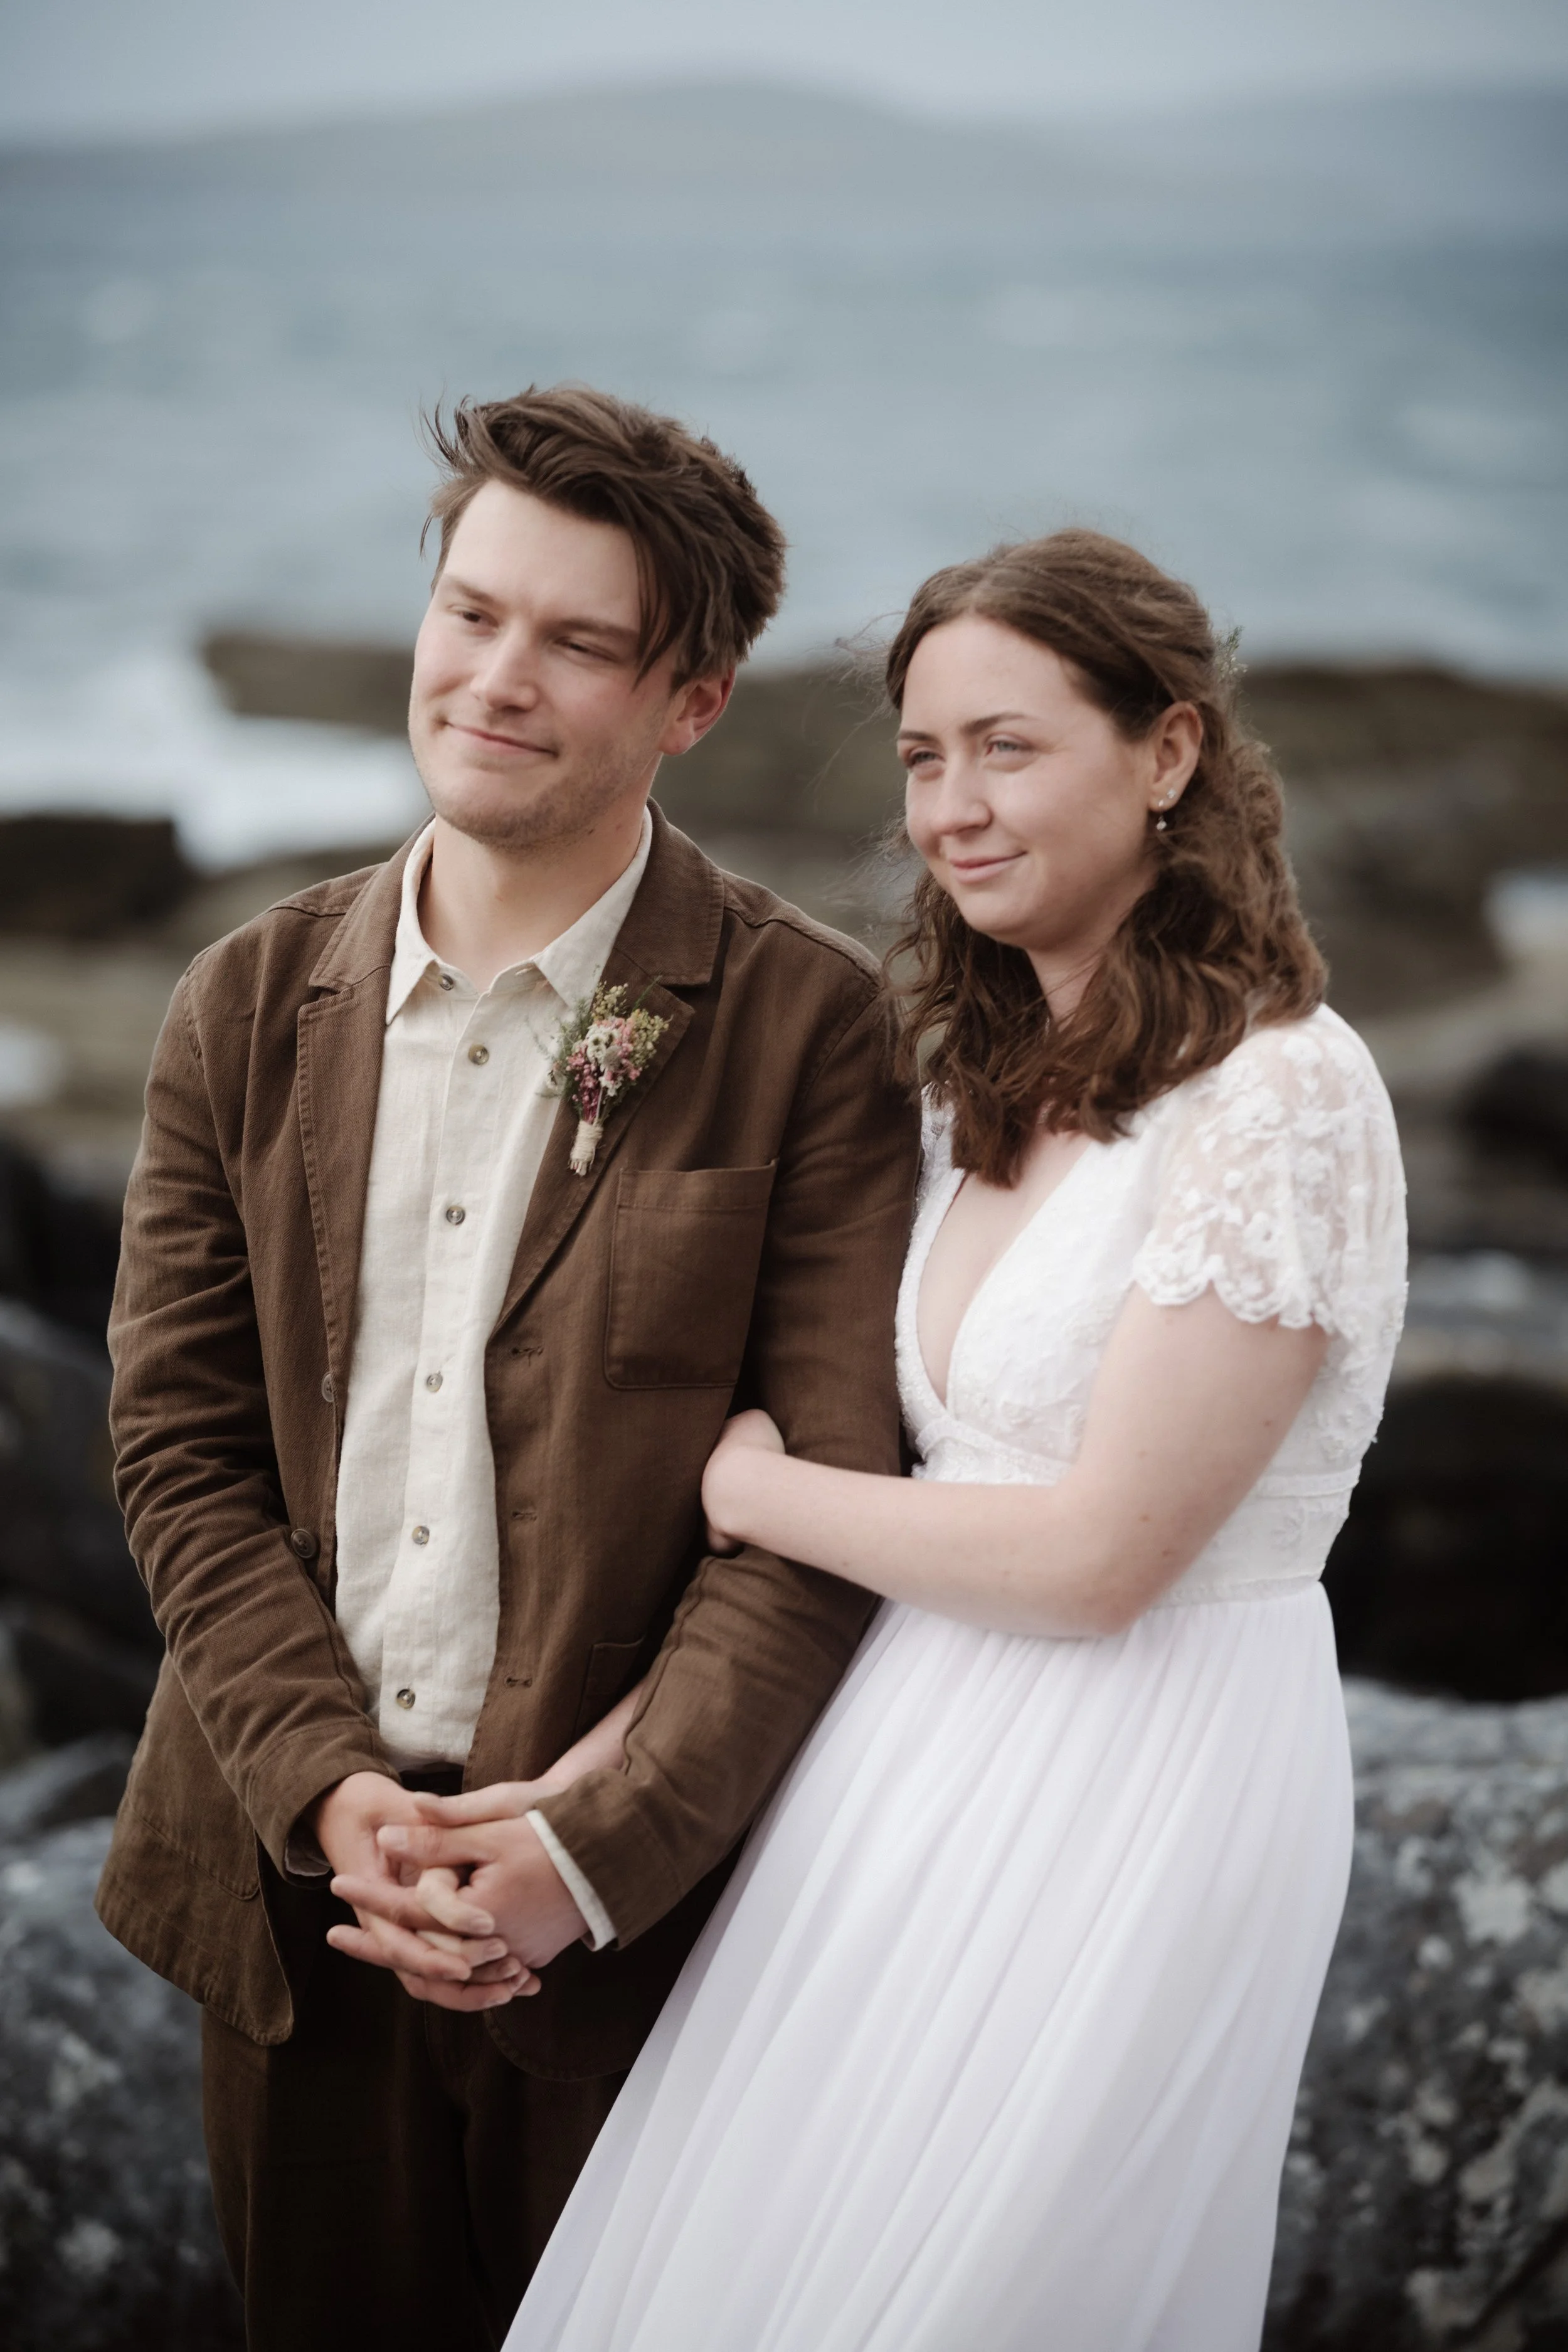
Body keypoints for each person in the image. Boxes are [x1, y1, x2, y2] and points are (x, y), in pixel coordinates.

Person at [430, 527, 1405, 2351]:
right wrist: (590, 1800)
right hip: (890, 1764)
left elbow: (1100, 1557)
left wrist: (751, 1480)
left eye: (1009, 746)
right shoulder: (976, 1086)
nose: (951, 805)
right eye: (921, 755)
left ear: (1169, 754)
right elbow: (925, 1503)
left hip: (1144, 1789)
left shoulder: (1282, 1091)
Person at [95, 384, 921, 2352]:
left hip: (643, 1944)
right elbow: (180, 1445)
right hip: (297, 1910)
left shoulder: (810, 1028)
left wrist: (587, 1852)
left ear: (690, 702)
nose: (495, 676)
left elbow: (823, 1506)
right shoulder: (244, 1000)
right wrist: (322, 1783)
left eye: (573, 641)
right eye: (470, 613)